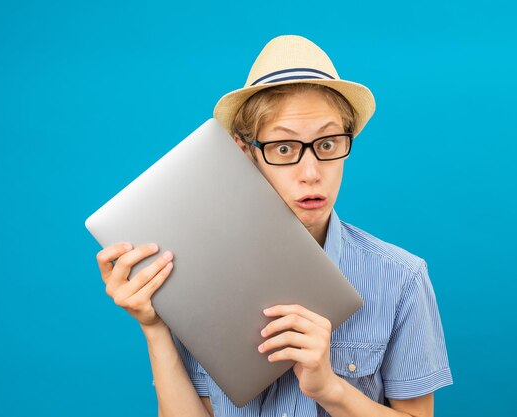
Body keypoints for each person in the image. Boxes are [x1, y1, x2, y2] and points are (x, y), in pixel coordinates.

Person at [95, 35, 453, 417]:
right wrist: (154, 327)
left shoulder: (401, 278)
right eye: (284, 148)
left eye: (328, 144)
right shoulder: (191, 278)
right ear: (244, 153)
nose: (311, 173)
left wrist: (330, 389)